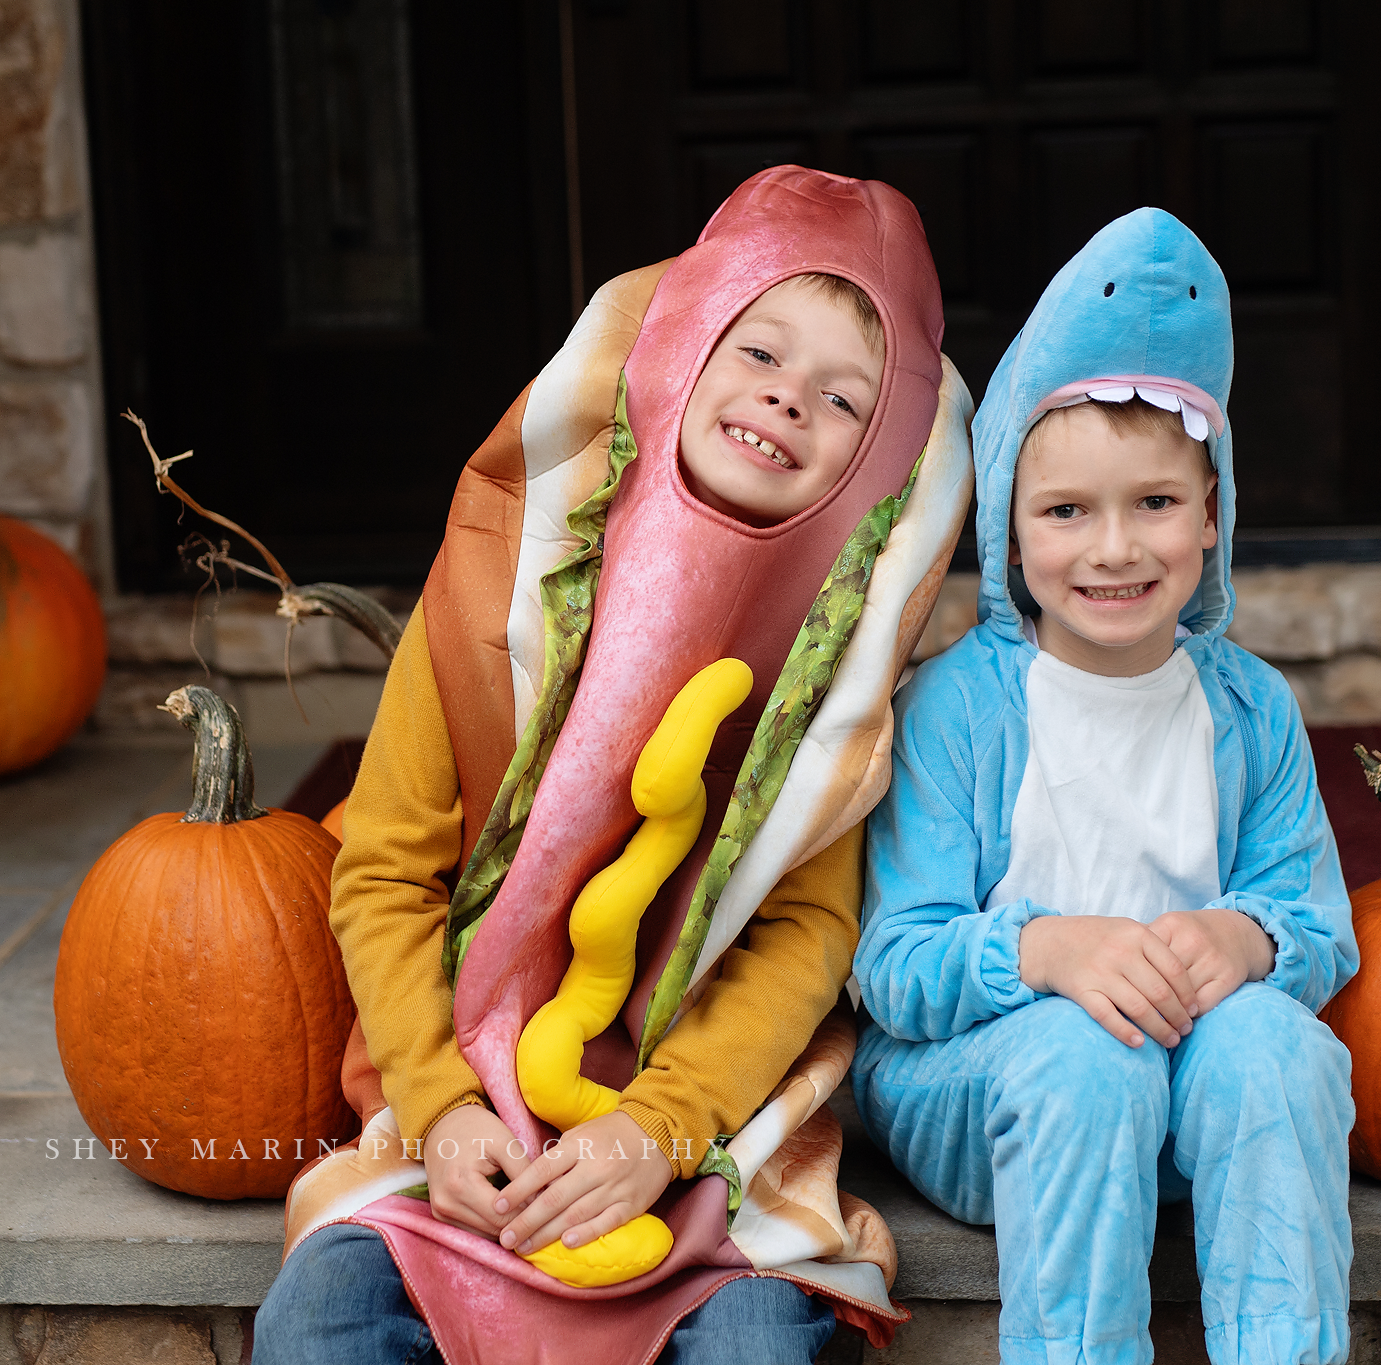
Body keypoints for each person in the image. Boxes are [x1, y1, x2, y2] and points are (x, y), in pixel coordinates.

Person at [255, 166, 969, 1365]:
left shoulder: (841, 683)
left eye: (843, 399)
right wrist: (435, 1107)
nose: (787, 402)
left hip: (701, 1136)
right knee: (324, 1326)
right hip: (462, 1118)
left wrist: (659, 1126)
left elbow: (805, 934)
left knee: (749, 1344)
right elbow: (381, 871)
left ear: (881, 456)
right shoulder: (498, 585)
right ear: (681, 344)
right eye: (757, 354)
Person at [850, 208, 1359, 1365]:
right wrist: (1045, 954)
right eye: (1065, 511)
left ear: (1213, 516)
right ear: (1008, 535)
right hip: (989, 1093)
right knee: (1085, 1058)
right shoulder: (959, 709)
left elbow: (1320, 923)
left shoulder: (1249, 708)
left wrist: (1248, 940)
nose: (1113, 548)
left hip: (1189, 1100)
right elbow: (890, 965)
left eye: (1156, 504)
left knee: (1275, 1051)